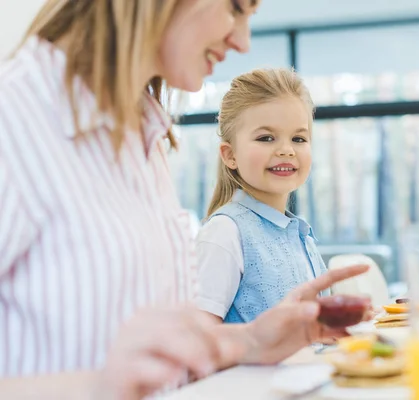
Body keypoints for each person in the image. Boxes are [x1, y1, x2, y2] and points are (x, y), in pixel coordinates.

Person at [0, 0, 369, 398]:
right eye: (235, 7)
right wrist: (97, 387)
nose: (243, 41)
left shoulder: (143, 139)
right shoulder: (13, 121)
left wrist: (248, 343)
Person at [195, 68, 330, 324]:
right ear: (230, 155)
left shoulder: (300, 235)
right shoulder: (224, 233)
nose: (287, 150)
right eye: (266, 138)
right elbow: (199, 343)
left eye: (299, 138)